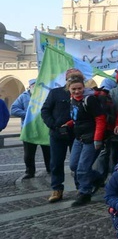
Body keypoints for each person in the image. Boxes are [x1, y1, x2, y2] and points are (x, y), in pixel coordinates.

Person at [66, 73, 107, 207]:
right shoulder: (72, 100)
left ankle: (85, 193)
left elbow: (100, 119)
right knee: (73, 165)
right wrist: (69, 124)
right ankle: (98, 178)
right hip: (79, 138)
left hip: (91, 138)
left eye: (79, 88)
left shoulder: (89, 100)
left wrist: (98, 139)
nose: (77, 91)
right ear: (69, 90)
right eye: (74, 89)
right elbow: (78, 118)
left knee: (83, 168)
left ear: (83, 87)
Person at [41, 68, 81, 203]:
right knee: (56, 163)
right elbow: (45, 110)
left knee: (77, 164)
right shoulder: (55, 93)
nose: (74, 85)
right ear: (66, 80)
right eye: (71, 79)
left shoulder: (83, 94)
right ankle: (57, 189)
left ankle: (80, 188)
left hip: (76, 134)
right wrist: (54, 125)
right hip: (57, 134)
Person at [11, 79, 50, 179]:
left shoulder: (46, 96)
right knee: (29, 153)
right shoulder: (24, 96)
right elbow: (14, 109)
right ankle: (29, 171)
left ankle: (50, 169)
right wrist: (28, 115)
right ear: (30, 87)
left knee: (48, 151)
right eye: (34, 86)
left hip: (44, 129)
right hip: (29, 129)